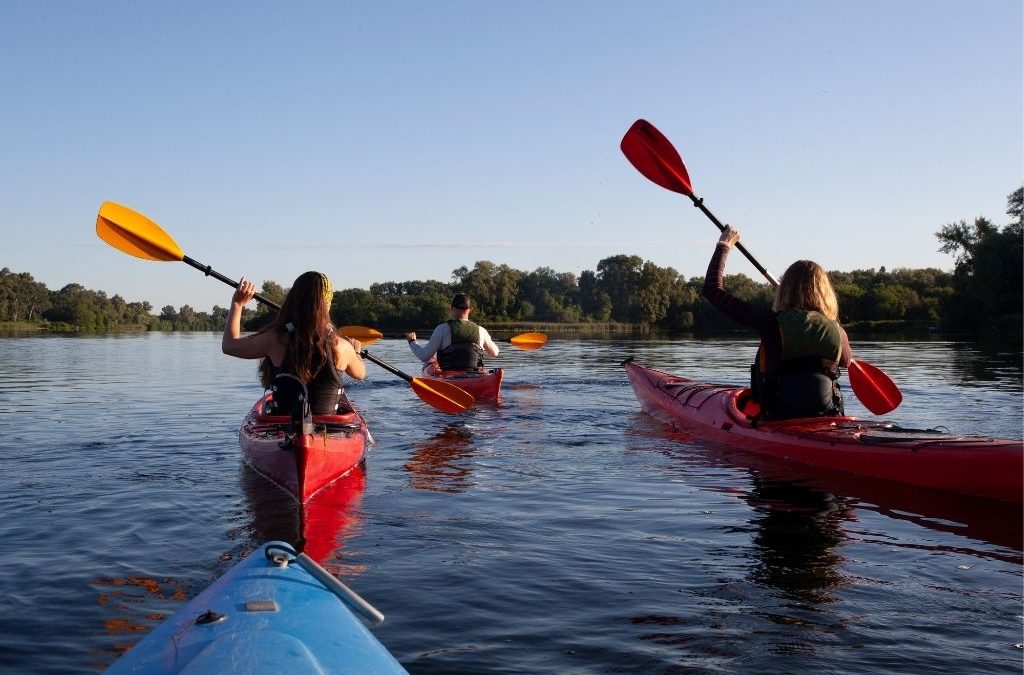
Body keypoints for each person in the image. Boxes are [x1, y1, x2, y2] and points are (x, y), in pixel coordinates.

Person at [702, 226, 852, 420]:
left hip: (778, 418)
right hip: (828, 417)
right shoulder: (837, 331)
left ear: (785, 289)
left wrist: (724, 245)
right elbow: (846, 361)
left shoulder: (770, 322)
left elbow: (712, 290)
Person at [222, 271, 365, 415]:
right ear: (328, 304)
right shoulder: (341, 346)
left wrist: (237, 303)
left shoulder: (275, 339)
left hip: (282, 428)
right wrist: (356, 353)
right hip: (329, 430)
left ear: (293, 299)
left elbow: (229, 346)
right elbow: (361, 374)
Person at [404, 293, 500, 371]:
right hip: (474, 376)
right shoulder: (481, 330)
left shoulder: (442, 329)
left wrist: (412, 342)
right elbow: (495, 353)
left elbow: (424, 356)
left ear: (452, 307)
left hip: (449, 379)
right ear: (471, 310)